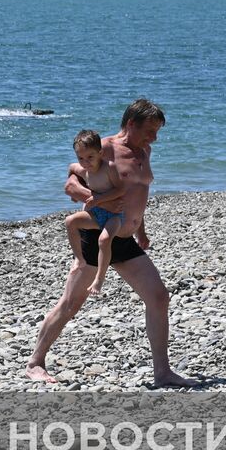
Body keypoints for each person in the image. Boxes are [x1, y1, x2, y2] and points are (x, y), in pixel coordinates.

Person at [25, 98, 195, 387]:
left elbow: (134, 195)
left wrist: (141, 228)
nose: (154, 137)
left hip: (126, 236)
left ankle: (163, 372)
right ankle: (35, 362)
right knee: (71, 303)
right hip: (97, 234)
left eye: (156, 132)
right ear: (131, 124)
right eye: (150, 130)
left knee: (158, 298)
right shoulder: (103, 148)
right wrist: (92, 200)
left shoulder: (145, 151)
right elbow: (70, 182)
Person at [63, 129, 127, 297]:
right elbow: (71, 169)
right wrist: (74, 195)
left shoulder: (109, 168)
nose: (85, 162)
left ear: (100, 153)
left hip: (114, 215)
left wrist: (99, 198)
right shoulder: (83, 169)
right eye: (80, 158)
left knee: (104, 239)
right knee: (70, 221)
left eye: (90, 157)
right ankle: (80, 259)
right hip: (95, 213)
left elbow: (121, 190)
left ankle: (99, 279)